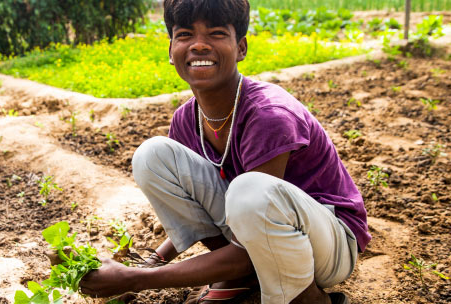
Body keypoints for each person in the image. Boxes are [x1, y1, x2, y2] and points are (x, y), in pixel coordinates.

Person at [79, 0, 370, 303]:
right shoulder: (186, 118)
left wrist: (136, 279)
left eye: (216, 33)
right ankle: (243, 278)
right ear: (170, 50)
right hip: (261, 233)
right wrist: (153, 259)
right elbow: (207, 207)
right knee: (152, 155)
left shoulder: (268, 115)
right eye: (185, 35)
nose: (199, 46)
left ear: (241, 48)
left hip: (328, 246)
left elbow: (253, 224)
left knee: (249, 190)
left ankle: (309, 298)